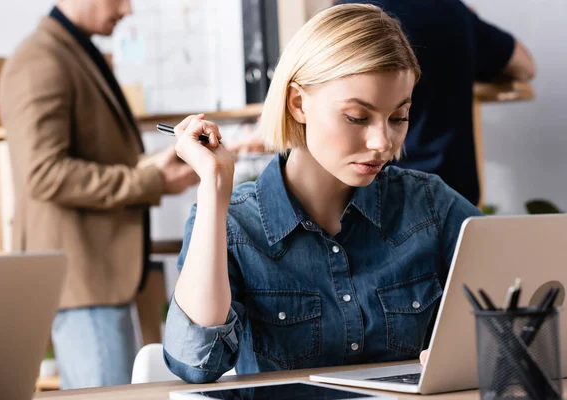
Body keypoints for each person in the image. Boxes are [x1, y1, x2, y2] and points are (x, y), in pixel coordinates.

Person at [162, 3, 482, 384]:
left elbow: (522, 311)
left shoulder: (431, 207)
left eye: (399, 117)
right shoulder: (235, 224)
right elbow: (194, 364)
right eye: (357, 117)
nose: (383, 142)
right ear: (299, 104)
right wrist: (214, 186)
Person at [0, 0, 199, 389]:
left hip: (102, 276)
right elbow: (43, 174)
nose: (127, 10)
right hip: (83, 279)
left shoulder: (74, 51)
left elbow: (86, 157)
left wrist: (153, 168)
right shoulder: (40, 58)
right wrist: (152, 182)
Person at [334, 0, 536, 206]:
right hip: (455, 203)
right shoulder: (450, 9)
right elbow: (525, 66)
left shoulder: (341, 22)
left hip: (372, 205)